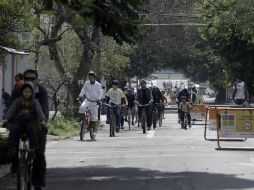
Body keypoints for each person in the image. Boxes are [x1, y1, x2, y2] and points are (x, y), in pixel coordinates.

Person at [9, 69, 49, 190]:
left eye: (32, 79)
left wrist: (42, 123)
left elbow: (44, 111)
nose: (29, 81)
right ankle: (15, 163)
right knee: (12, 142)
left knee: (39, 154)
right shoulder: (17, 90)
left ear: (37, 80)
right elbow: (11, 107)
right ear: (23, 80)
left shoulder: (42, 91)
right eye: (27, 79)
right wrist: (9, 121)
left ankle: (37, 183)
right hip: (20, 123)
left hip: (36, 124)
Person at [3, 82, 47, 176]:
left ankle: (32, 150)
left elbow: (39, 111)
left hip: (31, 121)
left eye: (29, 92)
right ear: (22, 92)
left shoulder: (34, 102)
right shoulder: (18, 101)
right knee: (14, 129)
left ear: (32, 93)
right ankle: (13, 152)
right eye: (25, 91)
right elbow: (12, 110)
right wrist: (6, 119)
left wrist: (42, 121)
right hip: (19, 121)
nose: (27, 93)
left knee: (32, 130)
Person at [77, 71, 102, 139]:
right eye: (90, 77)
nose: (91, 79)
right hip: (87, 100)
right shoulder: (86, 83)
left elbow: (100, 93)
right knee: (82, 107)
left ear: (94, 78)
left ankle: (94, 132)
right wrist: (79, 97)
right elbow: (83, 90)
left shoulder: (98, 85)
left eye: (92, 77)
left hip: (95, 102)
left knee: (94, 118)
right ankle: (83, 121)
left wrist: (99, 100)